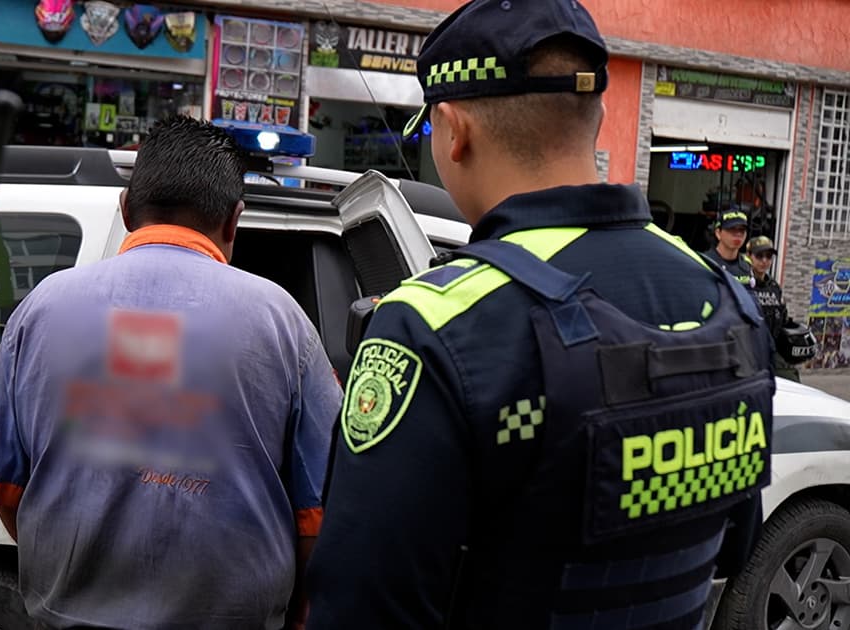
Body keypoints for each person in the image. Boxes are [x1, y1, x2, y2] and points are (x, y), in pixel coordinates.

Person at [306, 1, 774, 628]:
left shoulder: (433, 326)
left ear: (453, 129)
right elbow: (733, 548)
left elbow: (361, 606)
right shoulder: (727, 301)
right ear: (599, 116)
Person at [0, 115, 342, 629]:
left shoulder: (42, 308)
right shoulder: (281, 321)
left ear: (125, 209)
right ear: (234, 220)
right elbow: (320, 511)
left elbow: (2, 489)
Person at [747, 235, 801, 381]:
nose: (764, 261)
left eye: (769, 256)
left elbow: (782, 318)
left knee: (792, 379)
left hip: (771, 349)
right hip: (747, 351)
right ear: (748, 256)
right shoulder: (742, 284)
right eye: (759, 256)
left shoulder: (774, 287)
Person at [704, 209, 754, 287]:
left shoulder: (747, 265)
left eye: (742, 230)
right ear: (718, 233)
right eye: (732, 229)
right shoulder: (705, 261)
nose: (738, 234)